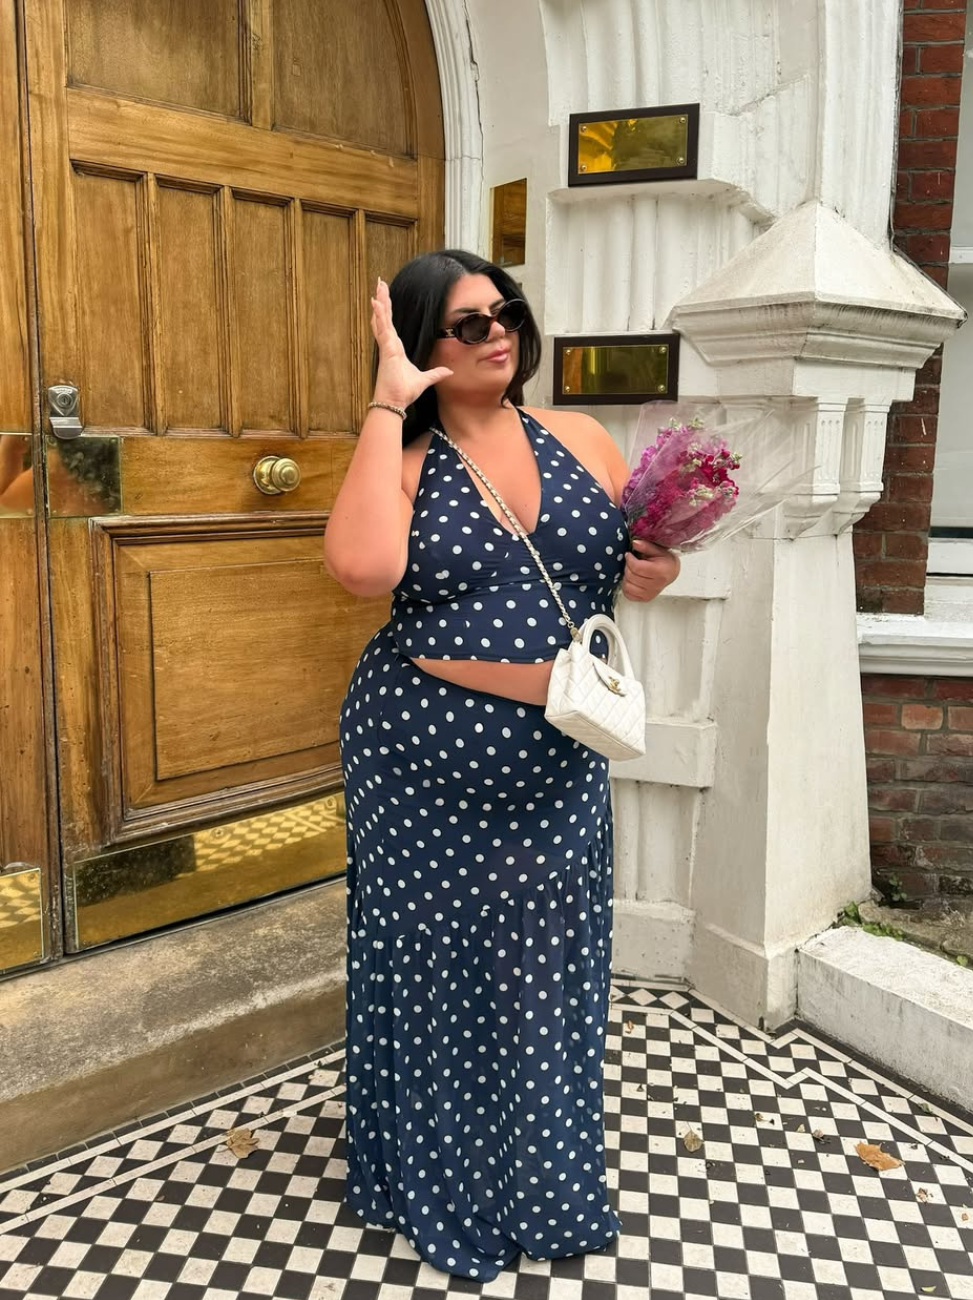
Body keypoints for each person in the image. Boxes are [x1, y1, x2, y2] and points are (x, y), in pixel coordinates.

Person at [324, 249, 680, 1280]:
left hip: (560, 762)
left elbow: (626, 568)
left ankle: (537, 1168)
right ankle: (430, 1172)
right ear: (421, 343)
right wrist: (389, 404)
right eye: (467, 323)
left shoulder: (581, 438)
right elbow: (361, 570)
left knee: (544, 972)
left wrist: (656, 566)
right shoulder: (400, 455)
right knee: (436, 970)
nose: (497, 334)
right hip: (418, 763)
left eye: (506, 313)